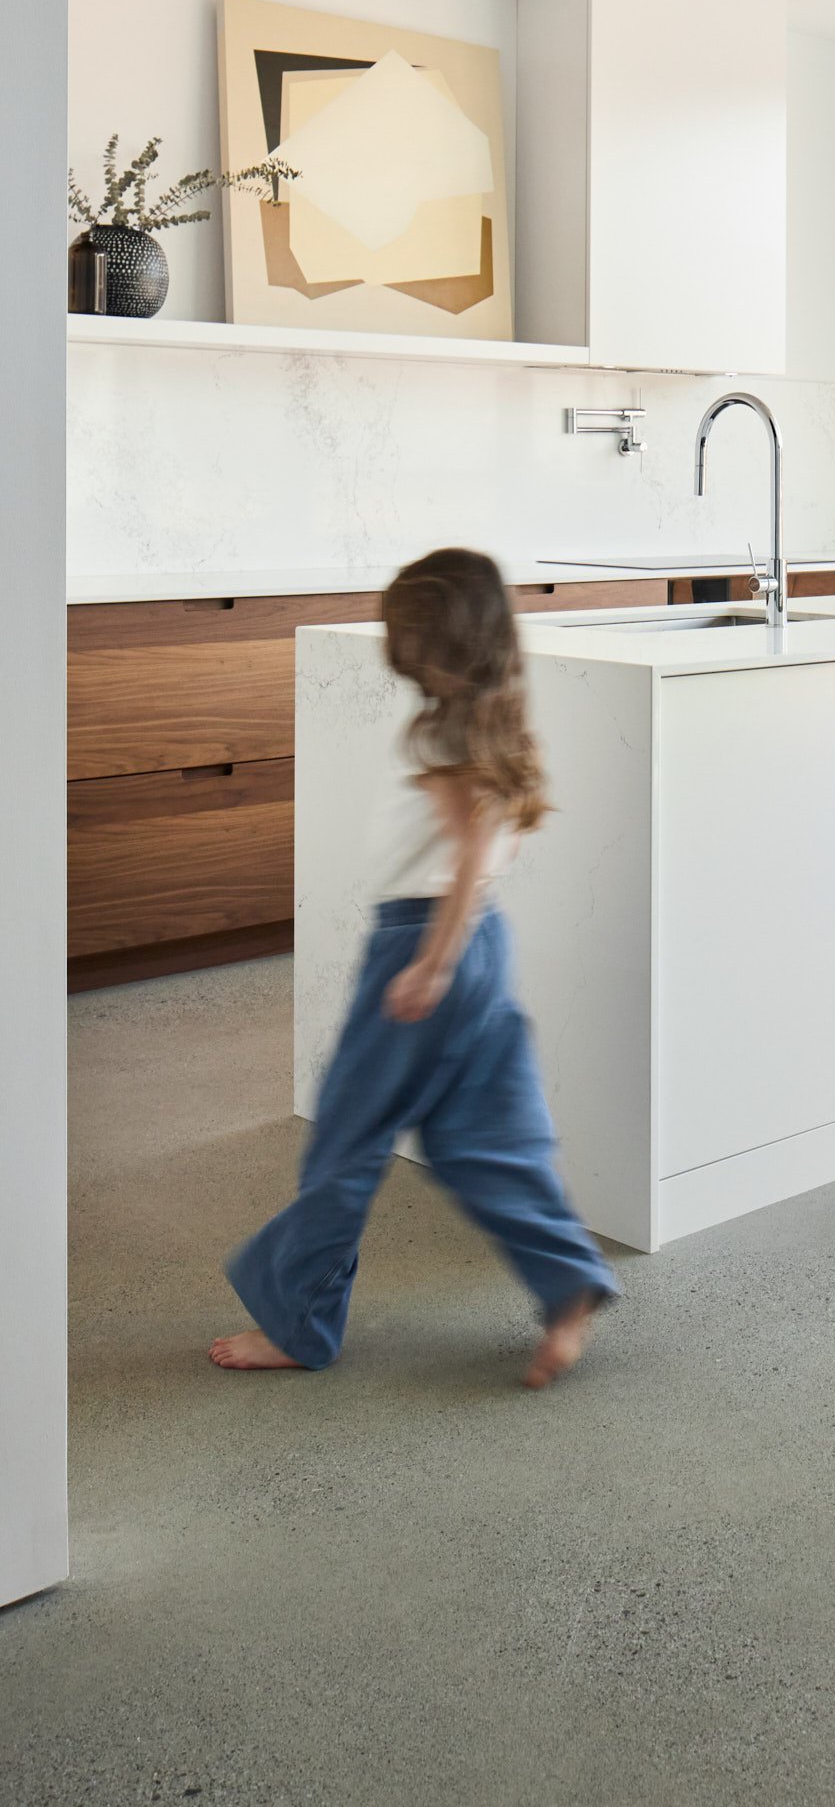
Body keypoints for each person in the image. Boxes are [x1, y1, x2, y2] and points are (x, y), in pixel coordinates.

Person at [210, 546, 618, 1389]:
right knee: (483, 1136)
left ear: (438, 642)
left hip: (423, 942)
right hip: (484, 950)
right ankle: (565, 1277)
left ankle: (298, 1323)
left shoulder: (442, 728)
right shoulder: (499, 722)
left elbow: (466, 855)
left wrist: (429, 962)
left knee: (347, 1139)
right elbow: (486, 851)